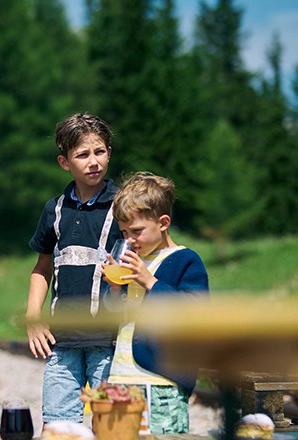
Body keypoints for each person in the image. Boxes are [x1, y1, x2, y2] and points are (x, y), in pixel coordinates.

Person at [24, 113, 122, 427]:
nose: (93, 161)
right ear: (65, 162)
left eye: (99, 152)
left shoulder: (124, 206)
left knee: (111, 424)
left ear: (109, 152)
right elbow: (41, 269)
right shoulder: (54, 209)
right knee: (58, 425)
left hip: (110, 340)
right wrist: (32, 315)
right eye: (82, 155)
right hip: (62, 340)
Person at [102, 172, 209, 434]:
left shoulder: (185, 260)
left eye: (137, 231)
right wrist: (115, 291)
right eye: (124, 232)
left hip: (161, 381)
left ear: (163, 222)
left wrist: (150, 282)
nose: (130, 240)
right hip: (121, 376)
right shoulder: (130, 260)